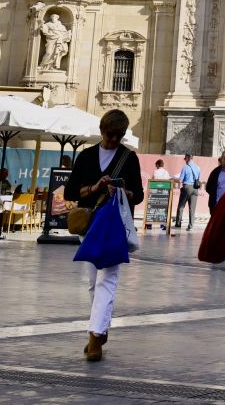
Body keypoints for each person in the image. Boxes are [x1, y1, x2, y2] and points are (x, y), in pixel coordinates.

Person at [65, 109, 144, 362]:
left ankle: (95, 336)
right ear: (102, 131)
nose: (114, 140)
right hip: (90, 226)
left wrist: (123, 191)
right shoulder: (86, 156)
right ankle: (101, 327)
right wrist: (95, 187)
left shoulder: (129, 158)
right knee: (92, 282)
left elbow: (138, 195)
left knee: (106, 280)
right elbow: (70, 192)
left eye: (119, 136)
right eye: (111, 135)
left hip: (114, 227)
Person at [176, 154, 203, 230]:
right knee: (192, 208)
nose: (185, 160)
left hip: (187, 187)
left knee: (181, 206)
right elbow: (197, 179)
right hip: (195, 188)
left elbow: (180, 180)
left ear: (188, 158)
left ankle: (178, 224)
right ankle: (191, 226)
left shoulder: (185, 167)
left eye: (185, 159)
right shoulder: (198, 167)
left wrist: (173, 179)